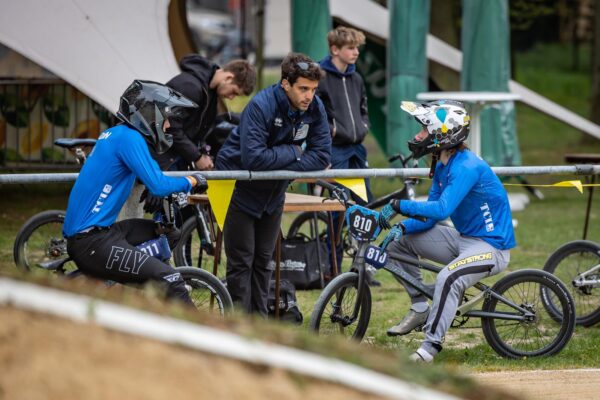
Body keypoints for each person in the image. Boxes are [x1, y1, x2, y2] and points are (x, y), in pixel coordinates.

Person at [377, 100, 516, 362]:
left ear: (443, 134)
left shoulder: (466, 166)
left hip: (491, 247)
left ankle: (429, 348)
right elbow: (430, 218)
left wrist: (398, 206)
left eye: (424, 129)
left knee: (447, 278)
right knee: (396, 244)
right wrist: (402, 226)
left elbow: (441, 210)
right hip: (464, 239)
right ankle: (420, 307)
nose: (418, 135)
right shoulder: (442, 163)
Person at [63, 80, 208, 304]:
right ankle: (191, 325)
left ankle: (137, 287)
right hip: (91, 242)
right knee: (171, 279)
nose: (168, 126)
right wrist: (192, 180)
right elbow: (158, 185)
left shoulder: (116, 134)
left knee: (169, 233)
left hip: (100, 233)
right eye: (166, 119)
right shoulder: (130, 139)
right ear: (150, 116)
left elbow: (145, 175)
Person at [216, 52, 331, 316]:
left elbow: (322, 155)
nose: (309, 96)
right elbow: (254, 159)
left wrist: (283, 163)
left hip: (274, 192)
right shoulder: (261, 105)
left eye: (313, 89)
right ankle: (238, 325)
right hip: (237, 186)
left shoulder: (315, 106)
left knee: (264, 262)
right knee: (242, 262)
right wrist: (295, 152)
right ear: (285, 83)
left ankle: (259, 323)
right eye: (303, 89)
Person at [141, 54, 255, 214]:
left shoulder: (210, 93)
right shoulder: (190, 86)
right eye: (234, 92)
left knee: (175, 218)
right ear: (228, 77)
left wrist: (202, 153)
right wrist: (197, 157)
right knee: (161, 218)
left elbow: (195, 132)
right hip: (155, 157)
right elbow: (170, 129)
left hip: (173, 158)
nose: (231, 97)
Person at [317, 26, 373, 275]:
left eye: (357, 48)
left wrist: (363, 127)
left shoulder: (357, 78)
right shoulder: (320, 78)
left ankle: (361, 270)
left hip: (357, 150)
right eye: (351, 48)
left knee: (365, 207)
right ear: (335, 49)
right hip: (335, 151)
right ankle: (333, 269)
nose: (356, 52)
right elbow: (317, 116)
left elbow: (363, 110)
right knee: (337, 211)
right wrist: (332, 133)